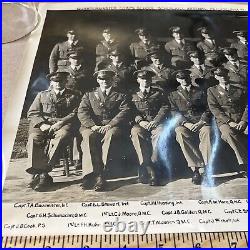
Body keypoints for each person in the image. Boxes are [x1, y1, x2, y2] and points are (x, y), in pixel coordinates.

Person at [77, 68, 131, 191]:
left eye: (107, 79)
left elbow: (125, 110)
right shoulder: (89, 94)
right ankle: (89, 175)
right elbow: (82, 111)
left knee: (111, 136)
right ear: (98, 80)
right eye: (102, 79)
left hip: (112, 126)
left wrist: (111, 124)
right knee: (88, 137)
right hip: (92, 125)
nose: (104, 81)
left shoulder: (121, 94)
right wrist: (92, 125)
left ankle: (102, 173)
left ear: (112, 80)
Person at [26, 72, 80, 191]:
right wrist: (42, 124)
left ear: (66, 82)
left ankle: (44, 172)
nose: (58, 84)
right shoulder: (42, 95)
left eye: (61, 81)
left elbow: (76, 113)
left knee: (62, 136)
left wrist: (60, 123)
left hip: (63, 124)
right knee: (34, 138)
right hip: (43, 125)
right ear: (51, 83)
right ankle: (40, 173)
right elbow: (32, 113)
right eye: (55, 81)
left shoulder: (74, 96)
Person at [168, 70, 212, 185]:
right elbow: (174, 112)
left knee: (207, 131)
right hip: (185, 123)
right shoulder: (173, 95)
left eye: (186, 78)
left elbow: (208, 109)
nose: (184, 80)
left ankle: (207, 168)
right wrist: (185, 123)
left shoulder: (200, 91)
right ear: (178, 80)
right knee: (179, 132)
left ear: (190, 78)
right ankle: (196, 169)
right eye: (181, 78)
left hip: (200, 122)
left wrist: (202, 122)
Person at [131, 69, 169, 186]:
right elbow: (132, 111)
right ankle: (145, 166)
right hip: (141, 124)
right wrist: (140, 121)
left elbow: (164, 107)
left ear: (151, 80)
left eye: (147, 79)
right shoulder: (132, 94)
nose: (145, 81)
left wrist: (156, 121)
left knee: (160, 133)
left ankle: (155, 166)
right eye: (142, 78)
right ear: (138, 80)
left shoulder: (159, 92)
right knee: (135, 132)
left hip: (156, 123)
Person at [207, 67, 248, 176]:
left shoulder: (240, 89)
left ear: (228, 75)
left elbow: (247, 105)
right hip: (224, 121)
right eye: (219, 75)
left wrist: (244, 121)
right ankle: (245, 164)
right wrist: (229, 122)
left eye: (224, 75)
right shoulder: (212, 91)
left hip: (241, 119)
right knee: (228, 133)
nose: (223, 77)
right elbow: (215, 109)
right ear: (216, 77)